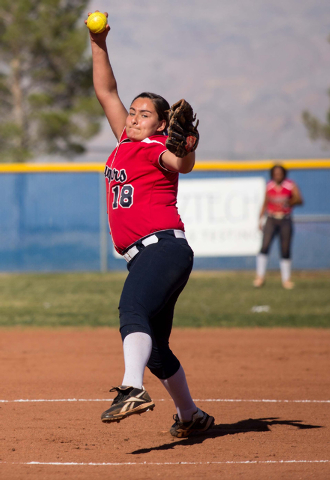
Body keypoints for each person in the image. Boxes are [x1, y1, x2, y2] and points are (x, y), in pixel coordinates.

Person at [86, 11, 214, 438]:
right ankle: (191, 415)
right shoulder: (126, 141)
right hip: (150, 254)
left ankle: (132, 389)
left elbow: (181, 163)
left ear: (162, 124)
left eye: (145, 114)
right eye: (134, 112)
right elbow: (106, 90)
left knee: (132, 311)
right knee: (156, 348)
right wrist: (98, 40)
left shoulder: (157, 147)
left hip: (162, 249)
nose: (135, 116)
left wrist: (189, 148)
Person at [253, 164, 303, 289]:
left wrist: (290, 201)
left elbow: (299, 199)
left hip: (285, 219)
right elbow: (265, 203)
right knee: (264, 247)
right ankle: (260, 277)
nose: (277, 176)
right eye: (275, 174)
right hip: (271, 218)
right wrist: (260, 220)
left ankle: (286, 280)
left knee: (285, 249)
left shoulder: (290, 185)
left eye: (280, 173)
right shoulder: (269, 186)